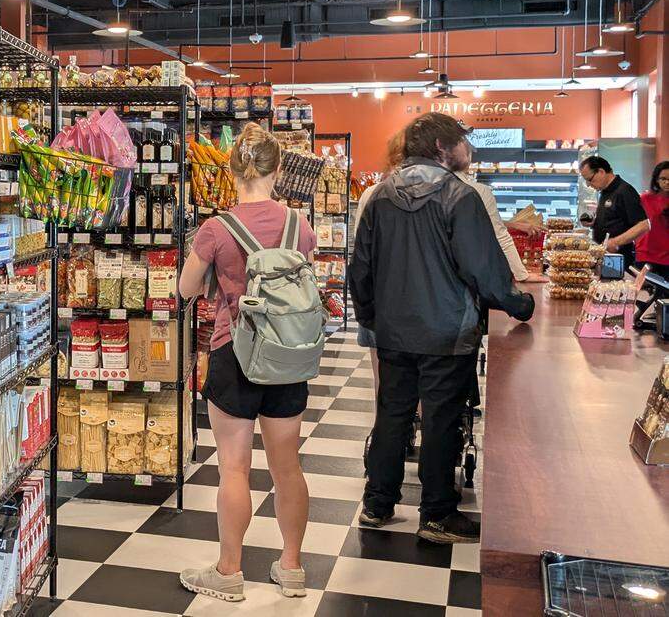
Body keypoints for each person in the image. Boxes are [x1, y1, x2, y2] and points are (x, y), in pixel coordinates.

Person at [349, 113, 534, 545]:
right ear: (441, 149)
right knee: (440, 421)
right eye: (462, 145)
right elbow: (484, 272)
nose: (468, 152)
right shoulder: (460, 196)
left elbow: (360, 268)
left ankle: (378, 504)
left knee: (392, 416)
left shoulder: (380, 197)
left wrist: (372, 318)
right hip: (448, 332)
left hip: (394, 332)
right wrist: (519, 305)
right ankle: (436, 514)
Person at [176, 123, 317, 602]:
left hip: (233, 354)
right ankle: (292, 566)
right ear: (278, 170)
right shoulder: (301, 227)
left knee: (233, 469)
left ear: (232, 171)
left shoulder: (216, 228)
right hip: (288, 355)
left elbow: (185, 289)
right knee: (288, 467)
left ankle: (229, 571)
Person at [351, 130, 405, 394]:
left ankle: (385, 428)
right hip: (423, 307)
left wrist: (363, 310)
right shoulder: (443, 194)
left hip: (379, 298)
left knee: (383, 379)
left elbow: (360, 255)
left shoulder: (372, 195)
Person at [580, 155, 649, 271]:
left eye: (590, 179)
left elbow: (644, 225)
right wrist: (594, 223)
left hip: (618, 259)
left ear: (601, 171)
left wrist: (616, 242)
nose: (588, 185)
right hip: (604, 257)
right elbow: (614, 219)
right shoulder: (605, 191)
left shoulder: (624, 191)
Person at [638, 161, 669, 278]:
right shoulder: (645, 198)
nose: (667, 182)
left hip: (667, 259)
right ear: (656, 179)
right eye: (663, 178)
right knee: (644, 294)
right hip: (646, 255)